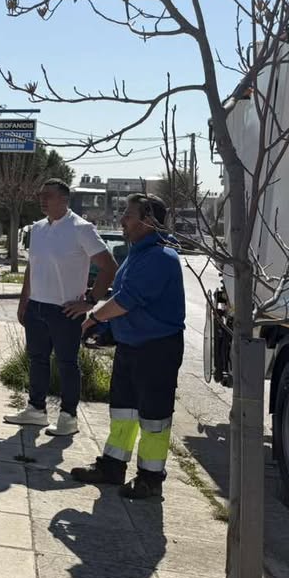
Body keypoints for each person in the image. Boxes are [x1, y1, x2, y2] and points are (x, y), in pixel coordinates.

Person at [72, 193, 186, 499]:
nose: (122, 219)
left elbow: (125, 300)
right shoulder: (139, 253)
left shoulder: (161, 257)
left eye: (129, 214)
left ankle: (150, 478)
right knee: (123, 411)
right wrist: (107, 329)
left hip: (156, 350)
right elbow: (122, 298)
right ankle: (112, 466)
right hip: (132, 346)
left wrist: (93, 318)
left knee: (153, 416)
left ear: (148, 221)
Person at [5, 178, 118, 436]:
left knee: (67, 363)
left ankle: (68, 417)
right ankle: (36, 410)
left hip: (65, 311)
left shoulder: (81, 228)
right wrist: (24, 301)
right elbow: (32, 266)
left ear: (64, 199)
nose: (43, 200)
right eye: (41, 195)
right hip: (37, 307)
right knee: (37, 360)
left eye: (49, 195)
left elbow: (109, 266)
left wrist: (90, 301)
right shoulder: (38, 228)